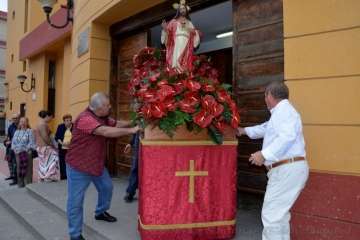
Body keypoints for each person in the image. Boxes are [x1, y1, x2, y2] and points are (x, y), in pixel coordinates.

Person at [237, 81, 309, 240]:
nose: (265, 99)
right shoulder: (281, 113)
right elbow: (265, 128)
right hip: (287, 169)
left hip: (287, 169)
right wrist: (243, 131)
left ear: (269, 95)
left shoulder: (285, 111)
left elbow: (287, 137)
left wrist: (264, 154)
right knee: (278, 216)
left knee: (271, 214)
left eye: (265, 95)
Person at [65, 92, 141, 240]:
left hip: (96, 164)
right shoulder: (85, 119)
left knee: (107, 187)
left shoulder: (102, 116)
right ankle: (75, 234)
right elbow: (105, 131)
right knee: (76, 201)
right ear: (97, 108)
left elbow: (115, 124)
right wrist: (132, 130)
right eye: (107, 105)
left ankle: (100, 212)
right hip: (78, 167)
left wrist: (134, 121)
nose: (110, 106)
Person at [161, 0, 200, 72]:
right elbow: (168, 33)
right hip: (177, 43)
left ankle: (183, 74)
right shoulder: (173, 22)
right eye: (181, 9)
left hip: (186, 43)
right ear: (178, 10)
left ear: (186, 10)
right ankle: (176, 73)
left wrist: (187, 28)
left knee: (185, 61)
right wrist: (165, 29)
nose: (182, 10)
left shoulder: (189, 23)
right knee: (176, 60)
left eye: (184, 8)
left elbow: (194, 33)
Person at [34, 110, 60, 182]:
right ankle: (49, 176)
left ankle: (43, 176)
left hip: (40, 147)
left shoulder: (39, 124)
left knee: (43, 163)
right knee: (54, 159)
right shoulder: (43, 124)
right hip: (45, 147)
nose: (51, 119)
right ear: (47, 116)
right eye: (51, 117)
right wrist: (51, 144)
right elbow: (45, 136)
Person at [11, 117, 36, 187]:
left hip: (26, 153)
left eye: (24, 121)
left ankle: (28, 185)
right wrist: (15, 149)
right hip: (18, 154)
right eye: (21, 121)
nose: (23, 123)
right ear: (19, 123)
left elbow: (32, 143)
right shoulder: (17, 132)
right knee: (19, 169)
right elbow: (13, 143)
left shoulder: (30, 131)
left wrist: (25, 149)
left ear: (27, 123)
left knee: (27, 171)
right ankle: (20, 185)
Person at [55, 114, 73, 180]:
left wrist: (71, 143)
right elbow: (57, 137)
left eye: (70, 120)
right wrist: (62, 143)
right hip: (62, 148)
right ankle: (63, 176)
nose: (69, 122)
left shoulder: (74, 126)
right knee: (62, 162)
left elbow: (76, 137)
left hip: (72, 148)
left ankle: (71, 176)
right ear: (64, 121)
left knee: (71, 162)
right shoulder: (60, 126)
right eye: (67, 120)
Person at [4, 113, 20, 185]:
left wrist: (11, 141)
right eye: (13, 118)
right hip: (10, 147)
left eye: (16, 118)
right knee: (9, 162)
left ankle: (15, 179)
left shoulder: (21, 126)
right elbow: (8, 136)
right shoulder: (11, 126)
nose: (14, 120)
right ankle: (11, 175)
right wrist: (6, 140)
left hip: (17, 148)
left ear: (19, 118)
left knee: (15, 164)